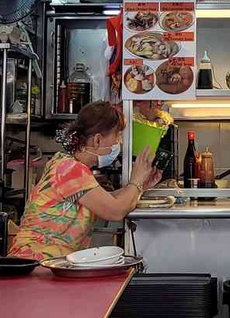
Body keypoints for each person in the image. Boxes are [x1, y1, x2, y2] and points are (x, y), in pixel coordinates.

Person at [9, 101, 161, 260]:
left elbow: (107, 200)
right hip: (36, 261)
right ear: (97, 140)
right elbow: (115, 211)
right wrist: (135, 182)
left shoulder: (67, 164)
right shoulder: (70, 169)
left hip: (48, 261)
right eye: (117, 136)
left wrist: (140, 185)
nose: (119, 143)